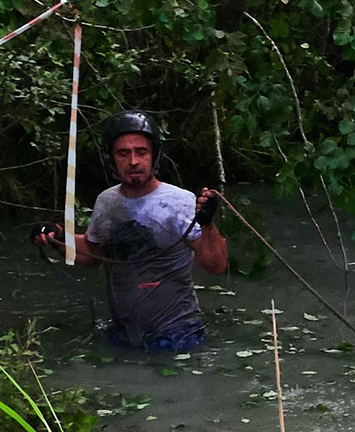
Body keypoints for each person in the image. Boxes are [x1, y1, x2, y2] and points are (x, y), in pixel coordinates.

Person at [37, 111, 228, 353]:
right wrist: (56, 236)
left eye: (141, 152)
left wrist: (208, 223)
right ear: (112, 159)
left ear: (154, 155)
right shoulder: (107, 202)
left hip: (178, 335)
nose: (134, 161)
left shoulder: (179, 201)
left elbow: (216, 265)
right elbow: (94, 254)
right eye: (123, 153)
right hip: (122, 335)